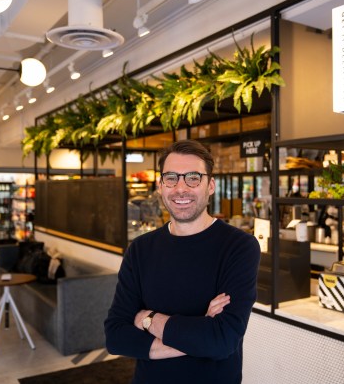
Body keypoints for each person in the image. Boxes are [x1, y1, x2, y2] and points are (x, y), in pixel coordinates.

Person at [105, 140, 261, 384]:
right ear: (160, 186)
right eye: (171, 178)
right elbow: (115, 337)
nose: (180, 188)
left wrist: (147, 319)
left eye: (192, 178)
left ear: (210, 185)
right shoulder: (140, 249)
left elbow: (221, 341)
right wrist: (199, 332)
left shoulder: (239, 247)